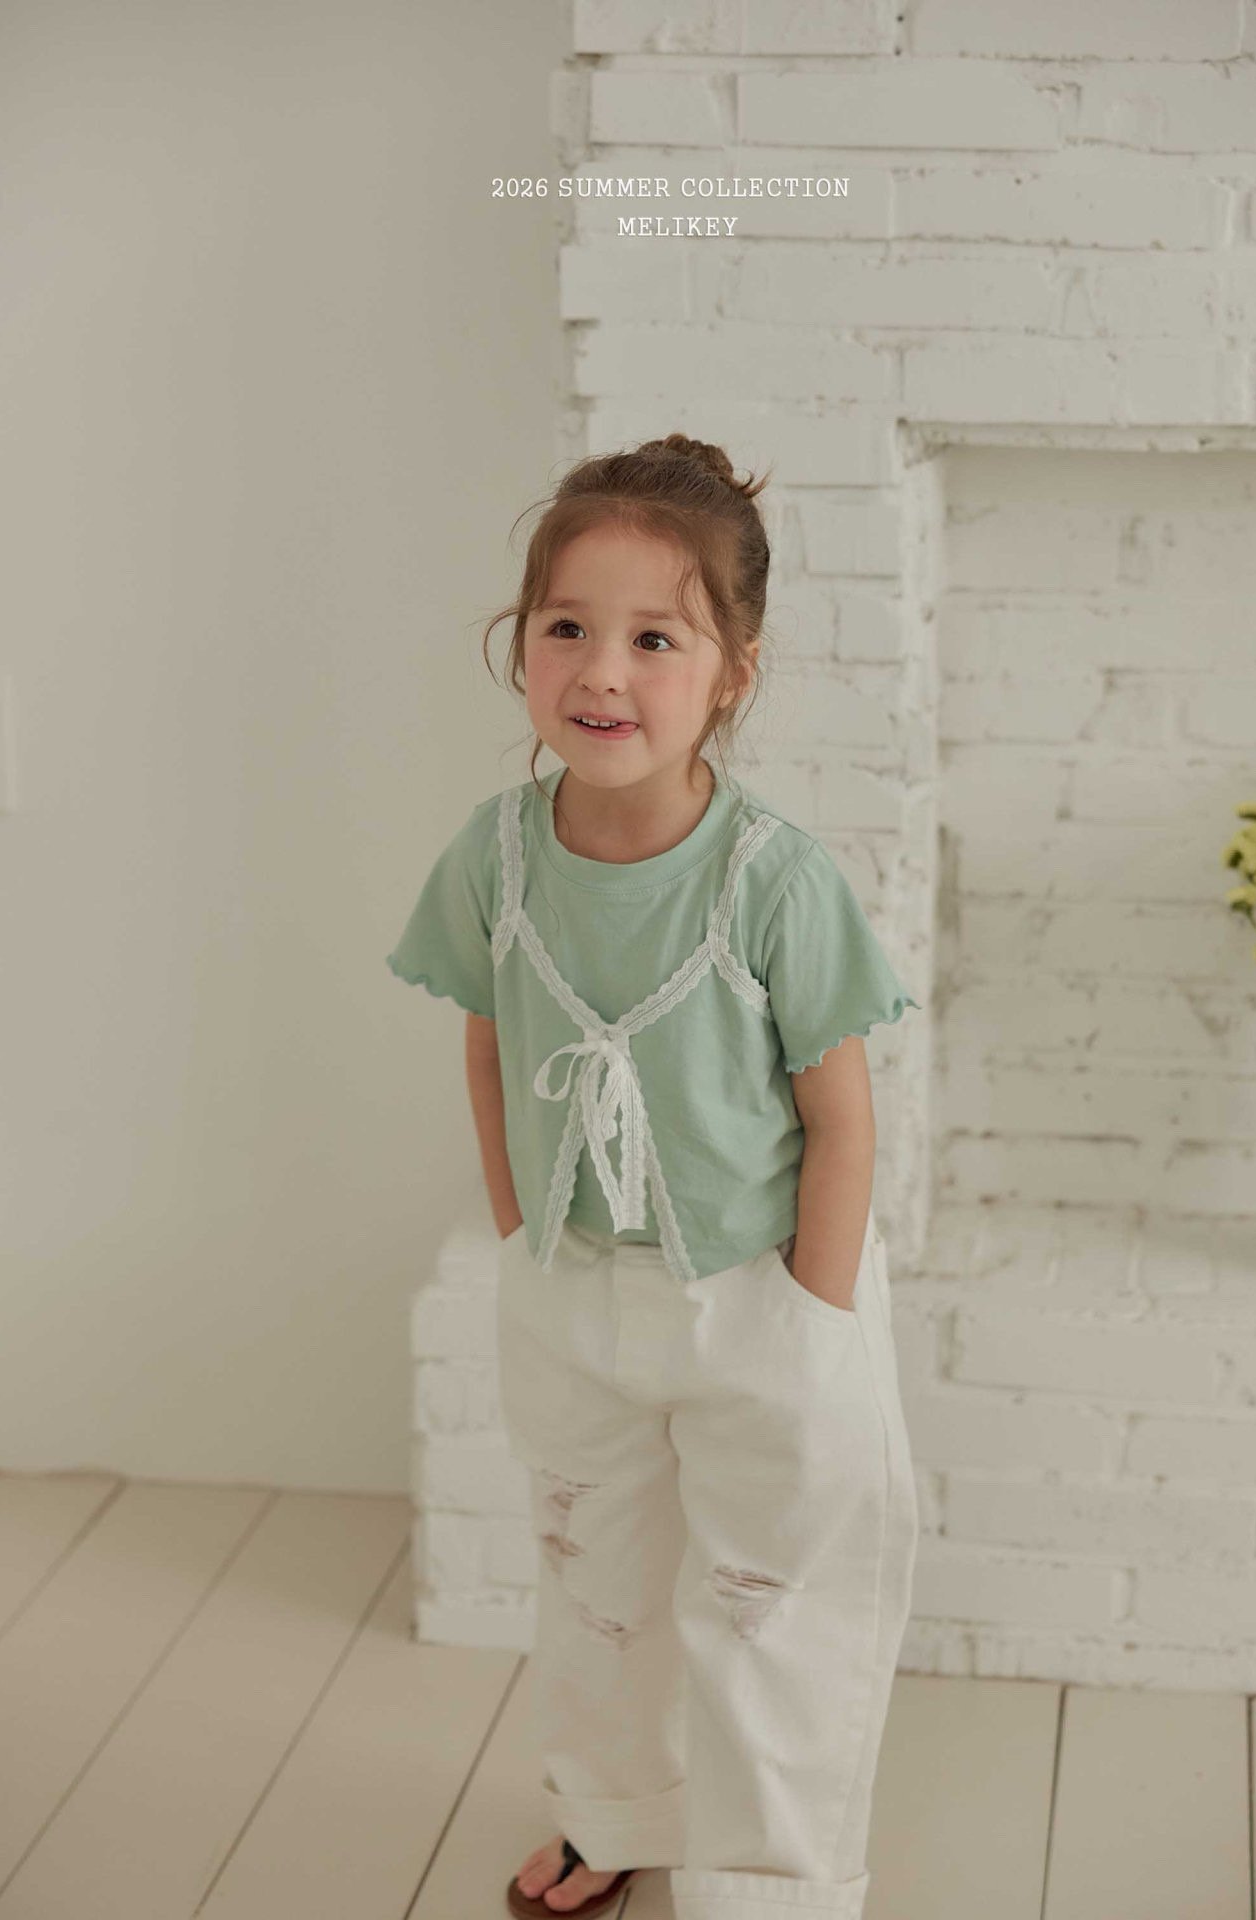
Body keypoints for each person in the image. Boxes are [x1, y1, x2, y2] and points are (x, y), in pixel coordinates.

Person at [386, 433, 922, 1920]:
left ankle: (769, 1884)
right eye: (567, 626)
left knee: (768, 1607)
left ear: (732, 672)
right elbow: (490, 1043)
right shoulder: (497, 856)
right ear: (522, 644)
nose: (602, 673)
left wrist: (812, 1317)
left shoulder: (773, 879)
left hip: (762, 1297)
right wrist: (522, 1237)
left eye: (655, 639)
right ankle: (616, 1810)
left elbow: (842, 1118)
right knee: (597, 1585)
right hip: (574, 1291)